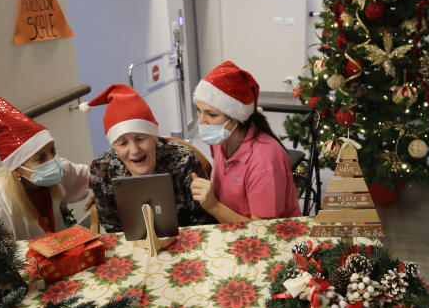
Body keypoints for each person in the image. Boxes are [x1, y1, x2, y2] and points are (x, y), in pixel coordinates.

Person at [0, 97, 93, 244]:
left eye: (53, 150)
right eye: (40, 158)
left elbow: (97, 176)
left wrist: (103, 193)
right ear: (15, 169)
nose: (53, 161)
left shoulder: (61, 170)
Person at [85, 84, 214, 233]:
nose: (134, 150)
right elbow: (112, 228)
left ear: (154, 137)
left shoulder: (184, 159)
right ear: (114, 146)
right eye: (123, 143)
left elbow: (203, 221)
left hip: (184, 243)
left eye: (140, 138)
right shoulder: (102, 169)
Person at [190, 61, 301, 223]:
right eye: (199, 111)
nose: (201, 122)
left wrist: (213, 206)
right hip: (230, 226)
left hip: (266, 238)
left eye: (211, 115)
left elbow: (263, 231)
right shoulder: (222, 136)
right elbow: (219, 169)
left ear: (236, 116)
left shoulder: (265, 162)